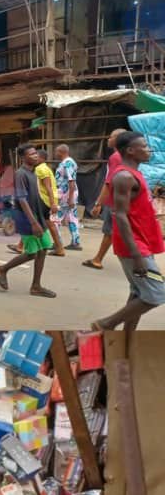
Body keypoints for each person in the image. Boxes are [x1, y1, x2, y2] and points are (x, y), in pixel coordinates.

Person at [92, 132, 165, 339]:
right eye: (144, 146)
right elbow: (120, 216)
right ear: (130, 150)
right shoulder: (123, 176)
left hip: (140, 242)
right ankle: (105, 324)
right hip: (133, 246)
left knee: (138, 293)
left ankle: (127, 337)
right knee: (156, 294)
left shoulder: (135, 173)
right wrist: (136, 255)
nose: (148, 150)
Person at [0, 144, 56, 299]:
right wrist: (33, 222)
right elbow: (21, 199)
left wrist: (45, 212)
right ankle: (2, 269)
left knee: (44, 248)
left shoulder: (33, 172)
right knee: (31, 253)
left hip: (38, 215)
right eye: (31, 154)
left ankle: (36, 286)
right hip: (27, 218)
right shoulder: (21, 174)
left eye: (36, 153)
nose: (35, 156)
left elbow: (35, 196)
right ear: (23, 157)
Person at [84, 128, 126, 271]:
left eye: (110, 137)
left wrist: (98, 204)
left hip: (114, 199)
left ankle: (98, 259)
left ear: (117, 139)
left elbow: (109, 182)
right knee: (114, 231)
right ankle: (98, 258)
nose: (108, 139)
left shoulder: (116, 157)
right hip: (122, 198)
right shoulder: (124, 156)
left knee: (110, 230)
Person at [34, 155, 65, 258]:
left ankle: (59, 248)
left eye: (36, 157)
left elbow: (48, 187)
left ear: (42, 158)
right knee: (41, 223)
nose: (35, 159)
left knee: (44, 223)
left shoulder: (40, 169)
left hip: (44, 200)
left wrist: (53, 204)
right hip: (47, 200)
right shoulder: (46, 168)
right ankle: (59, 248)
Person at [54, 143, 82, 250]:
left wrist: (70, 198)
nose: (55, 154)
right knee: (72, 218)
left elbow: (71, 181)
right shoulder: (67, 162)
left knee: (54, 218)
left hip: (66, 195)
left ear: (61, 152)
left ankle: (58, 242)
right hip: (69, 195)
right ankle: (75, 242)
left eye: (56, 151)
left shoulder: (67, 163)